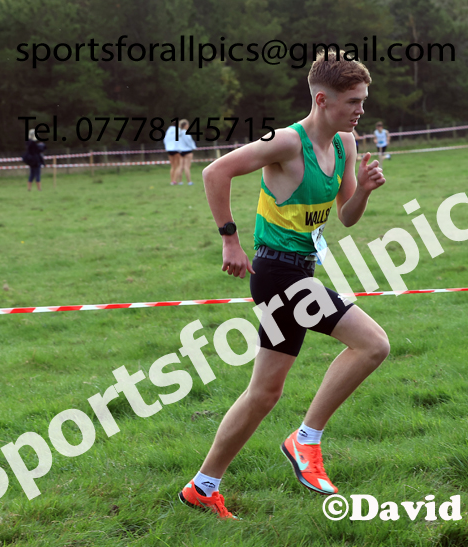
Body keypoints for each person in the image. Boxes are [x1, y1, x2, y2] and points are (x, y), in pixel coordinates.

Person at [178, 49, 389, 520]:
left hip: (302, 271)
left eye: (363, 100)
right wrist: (230, 241)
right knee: (373, 344)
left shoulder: (345, 144)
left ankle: (202, 486)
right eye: (353, 101)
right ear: (322, 99)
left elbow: (347, 217)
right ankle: (305, 440)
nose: (361, 109)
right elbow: (215, 171)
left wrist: (365, 190)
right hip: (277, 274)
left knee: (264, 393)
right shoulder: (286, 142)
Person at [178, 119, 197, 185]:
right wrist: (193, 147)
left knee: (180, 167)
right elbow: (189, 142)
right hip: (187, 151)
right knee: (187, 167)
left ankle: (180, 181)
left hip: (180, 151)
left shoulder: (179, 133)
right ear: (185, 125)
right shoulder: (186, 133)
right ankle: (189, 181)